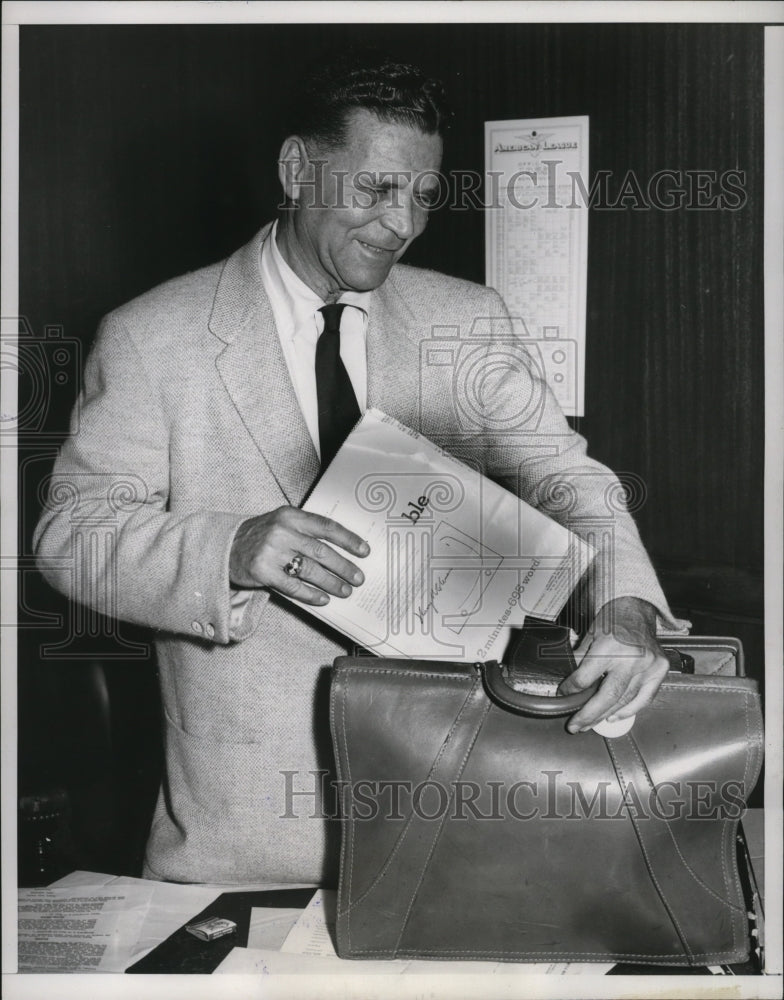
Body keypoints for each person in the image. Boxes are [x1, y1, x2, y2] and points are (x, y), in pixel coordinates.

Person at [34, 50, 686, 885]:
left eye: (421, 194)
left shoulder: (469, 320)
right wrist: (227, 549)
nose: (403, 223)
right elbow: (70, 538)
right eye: (377, 190)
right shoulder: (151, 336)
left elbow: (571, 477)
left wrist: (627, 604)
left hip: (454, 824)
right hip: (246, 835)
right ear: (298, 169)